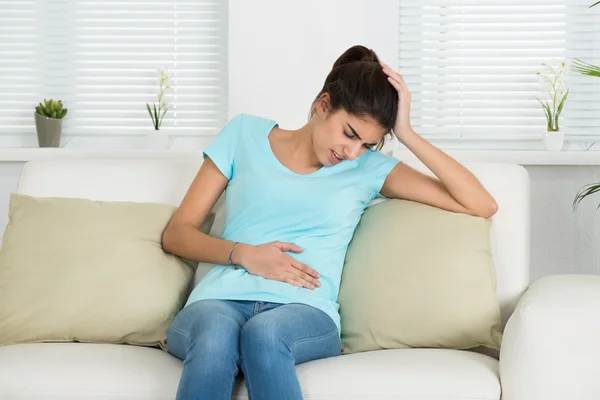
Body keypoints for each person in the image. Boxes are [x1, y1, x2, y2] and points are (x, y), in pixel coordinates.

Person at [161, 44, 498, 400]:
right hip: (217, 302)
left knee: (264, 333)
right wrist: (242, 254)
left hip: (304, 312)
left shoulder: (367, 167)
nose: (350, 152)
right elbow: (176, 234)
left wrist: (408, 134)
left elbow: (482, 204)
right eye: (349, 133)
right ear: (323, 105)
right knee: (215, 334)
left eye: (366, 143)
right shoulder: (243, 135)